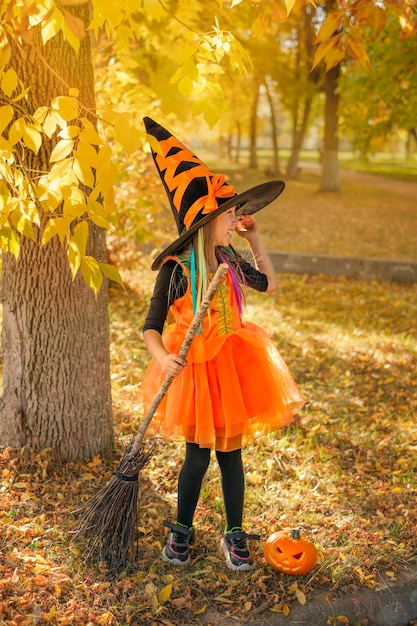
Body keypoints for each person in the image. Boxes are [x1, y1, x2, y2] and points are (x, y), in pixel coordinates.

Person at [141, 117, 305, 571]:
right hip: (194, 370)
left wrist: (255, 238)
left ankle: (234, 532)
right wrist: (165, 357)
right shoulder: (176, 270)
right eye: (232, 216)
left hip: (233, 365)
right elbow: (150, 327)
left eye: (236, 215)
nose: (237, 220)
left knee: (230, 454)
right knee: (196, 456)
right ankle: (182, 530)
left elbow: (269, 284)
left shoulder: (231, 260)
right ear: (208, 221)